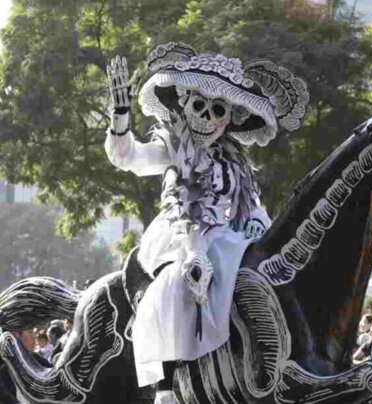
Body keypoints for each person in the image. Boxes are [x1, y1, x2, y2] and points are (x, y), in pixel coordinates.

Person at [105, 42, 308, 403]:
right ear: (183, 104)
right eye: (199, 106)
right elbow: (127, 157)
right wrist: (121, 118)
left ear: (229, 119)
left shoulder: (236, 161)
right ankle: (166, 385)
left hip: (232, 235)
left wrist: (268, 232)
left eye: (217, 111)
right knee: (177, 280)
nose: (206, 117)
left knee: (268, 274)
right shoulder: (171, 144)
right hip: (181, 234)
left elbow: (249, 206)